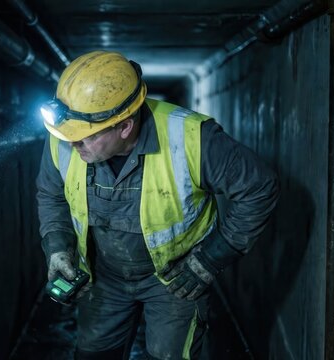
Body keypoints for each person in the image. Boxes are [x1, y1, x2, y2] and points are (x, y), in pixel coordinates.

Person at [36, 50, 279, 360]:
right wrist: (57, 247)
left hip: (174, 281)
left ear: (124, 126)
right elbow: (51, 194)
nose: (72, 144)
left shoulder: (191, 138)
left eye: (84, 138)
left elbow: (259, 187)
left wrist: (211, 259)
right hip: (104, 277)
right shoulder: (66, 137)